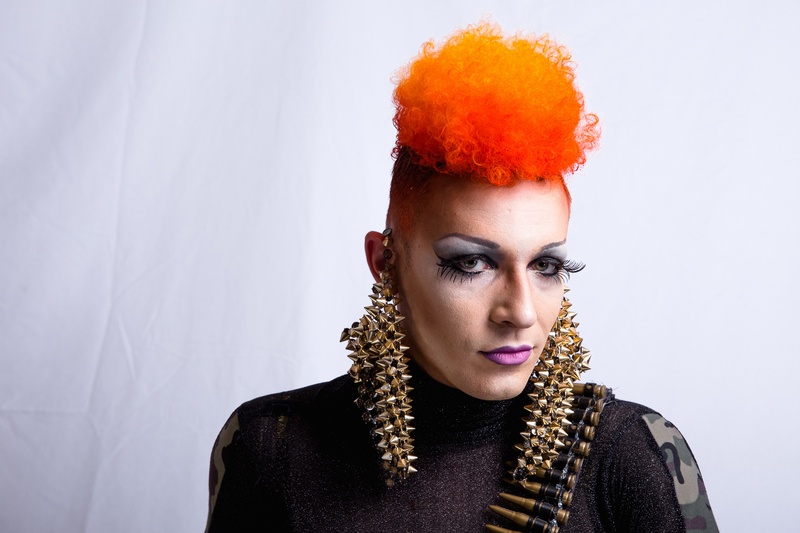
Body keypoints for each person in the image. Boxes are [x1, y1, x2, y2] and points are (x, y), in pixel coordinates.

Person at [204, 22, 717, 532]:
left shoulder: (632, 455)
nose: (520, 313)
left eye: (545, 265)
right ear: (386, 264)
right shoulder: (270, 446)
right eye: (472, 263)